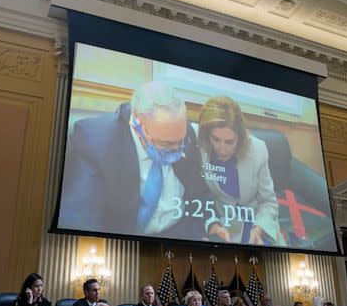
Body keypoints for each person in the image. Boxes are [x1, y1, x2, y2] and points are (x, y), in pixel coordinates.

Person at [59, 81, 219, 239]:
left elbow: (198, 188)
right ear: (137, 125)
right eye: (166, 143)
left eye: (180, 141)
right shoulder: (96, 140)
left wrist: (212, 222)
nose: (178, 149)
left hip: (179, 234)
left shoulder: (184, 133)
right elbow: (79, 217)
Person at [197, 96, 285, 245]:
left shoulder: (258, 150)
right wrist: (212, 223)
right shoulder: (199, 148)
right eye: (215, 139)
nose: (222, 148)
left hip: (256, 220)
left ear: (240, 137)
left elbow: (269, 202)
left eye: (230, 142)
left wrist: (259, 228)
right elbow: (198, 194)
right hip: (222, 221)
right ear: (207, 135)